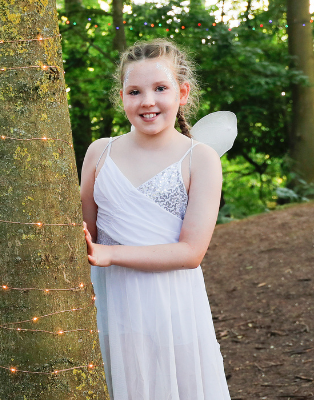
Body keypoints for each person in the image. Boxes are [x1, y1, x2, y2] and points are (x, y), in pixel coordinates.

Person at [80, 39, 231, 399]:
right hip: (110, 297)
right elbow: (83, 230)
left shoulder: (201, 158)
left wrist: (110, 254)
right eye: (135, 91)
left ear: (182, 91)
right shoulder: (100, 152)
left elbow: (190, 252)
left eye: (160, 88)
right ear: (122, 98)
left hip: (170, 303)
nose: (147, 101)